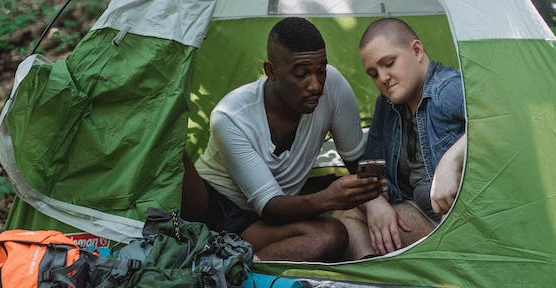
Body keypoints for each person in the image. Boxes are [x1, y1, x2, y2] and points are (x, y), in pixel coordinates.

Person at [180, 17, 383, 262]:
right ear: (271, 71)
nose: (315, 85)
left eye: (321, 71)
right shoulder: (232, 117)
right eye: (301, 74)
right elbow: (270, 206)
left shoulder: (333, 86)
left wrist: (376, 203)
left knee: (331, 235)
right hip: (219, 208)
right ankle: (226, 269)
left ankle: (240, 265)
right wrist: (329, 198)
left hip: (265, 218)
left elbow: (357, 162)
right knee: (328, 236)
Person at [336, 18, 466, 260]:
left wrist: (452, 159)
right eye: (373, 74)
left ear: (416, 51)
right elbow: (370, 169)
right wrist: (374, 202)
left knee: (347, 223)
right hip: (419, 210)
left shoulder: (448, 89)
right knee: (342, 217)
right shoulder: (387, 105)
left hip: (459, 224)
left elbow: (505, 116)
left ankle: (376, 283)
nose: (383, 78)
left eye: (389, 63)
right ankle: (375, 279)